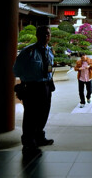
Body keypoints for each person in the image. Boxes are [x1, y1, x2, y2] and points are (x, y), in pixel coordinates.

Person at [13, 25, 55, 157]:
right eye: (43, 34)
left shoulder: (49, 50)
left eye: (48, 34)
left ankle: (39, 137)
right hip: (32, 87)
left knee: (43, 113)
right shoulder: (28, 51)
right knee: (31, 115)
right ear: (37, 36)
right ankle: (28, 143)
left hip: (46, 85)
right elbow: (17, 70)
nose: (46, 37)